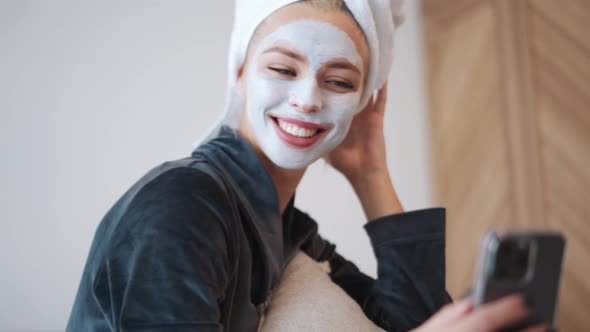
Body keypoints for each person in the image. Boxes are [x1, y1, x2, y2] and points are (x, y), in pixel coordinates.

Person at [66, 1, 547, 331]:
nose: (307, 99)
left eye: (339, 81)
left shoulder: (288, 233)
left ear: (361, 102)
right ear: (239, 73)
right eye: (282, 69)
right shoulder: (182, 205)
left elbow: (408, 321)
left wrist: (371, 174)